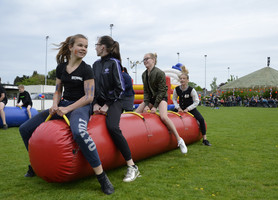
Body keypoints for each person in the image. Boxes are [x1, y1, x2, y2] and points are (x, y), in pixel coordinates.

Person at [19, 34, 114, 195]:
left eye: (86, 46)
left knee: (79, 132)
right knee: (24, 129)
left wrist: (68, 110)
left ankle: (102, 176)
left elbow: (89, 97)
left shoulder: (86, 69)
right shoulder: (61, 68)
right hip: (63, 104)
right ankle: (34, 165)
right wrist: (55, 105)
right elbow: (57, 91)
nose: (84, 49)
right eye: (80, 45)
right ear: (70, 47)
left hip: (81, 107)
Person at [93, 35, 140, 183]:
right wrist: (94, 104)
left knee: (112, 127)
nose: (94, 47)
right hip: (97, 102)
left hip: (115, 102)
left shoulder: (114, 63)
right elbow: (92, 88)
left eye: (96, 44)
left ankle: (132, 166)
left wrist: (106, 105)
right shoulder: (95, 64)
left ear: (103, 47)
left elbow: (120, 88)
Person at [135, 53, 188, 154]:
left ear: (153, 60)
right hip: (151, 98)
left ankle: (179, 139)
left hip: (161, 97)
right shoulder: (144, 74)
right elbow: (146, 92)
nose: (145, 61)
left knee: (163, 117)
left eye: (147, 59)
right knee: (136, 113)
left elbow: (162, 91)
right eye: (144, 60)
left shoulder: (160, 73)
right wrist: (146, 105)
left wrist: (155, 107)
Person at [172, 66, 211, 146]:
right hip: (180, 109)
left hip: (190, 109)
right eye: (181, 78)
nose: (182, 80)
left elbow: (197, 101)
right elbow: (174, 99)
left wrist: (188, 109)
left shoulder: (191, 90)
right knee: (169, 117)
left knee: (201, 119)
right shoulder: (176, 89)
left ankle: (205, 139)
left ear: (187, 80)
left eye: (184, 78)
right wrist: (178, 107)